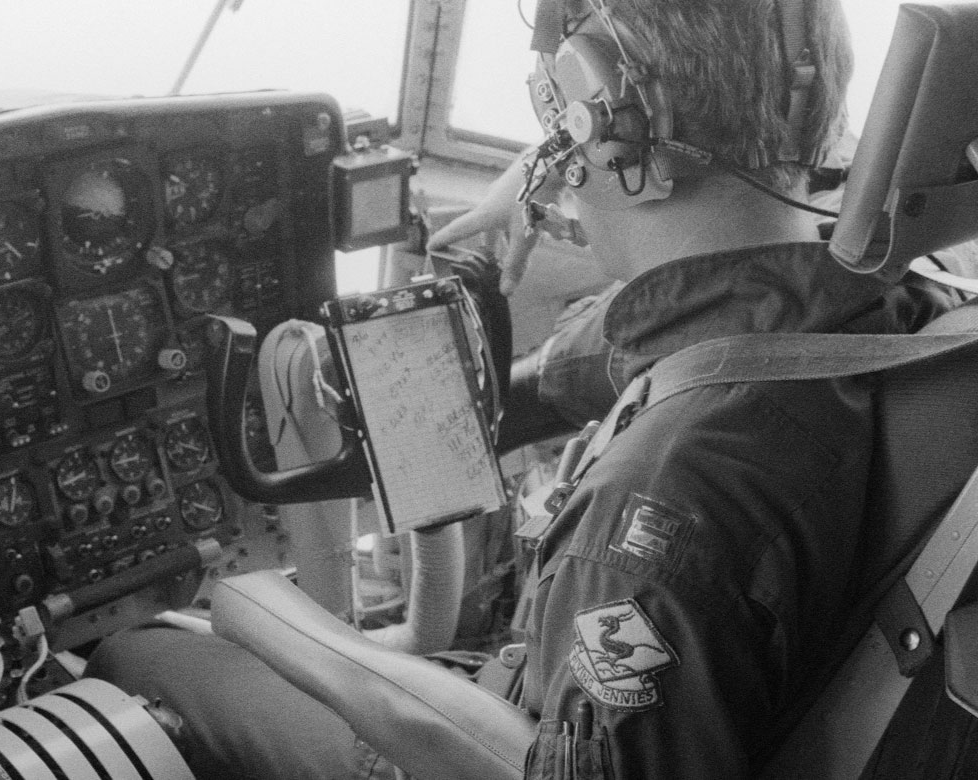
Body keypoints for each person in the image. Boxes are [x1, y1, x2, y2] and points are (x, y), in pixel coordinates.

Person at [86, 1, 956, 777]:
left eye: (559, 122)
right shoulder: (900, 306)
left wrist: (263, 611)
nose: (555, 162)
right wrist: (525, 194)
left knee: (144, 652)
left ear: (611, 130)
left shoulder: (652, 503)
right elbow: (629, 354)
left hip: (519, 741)